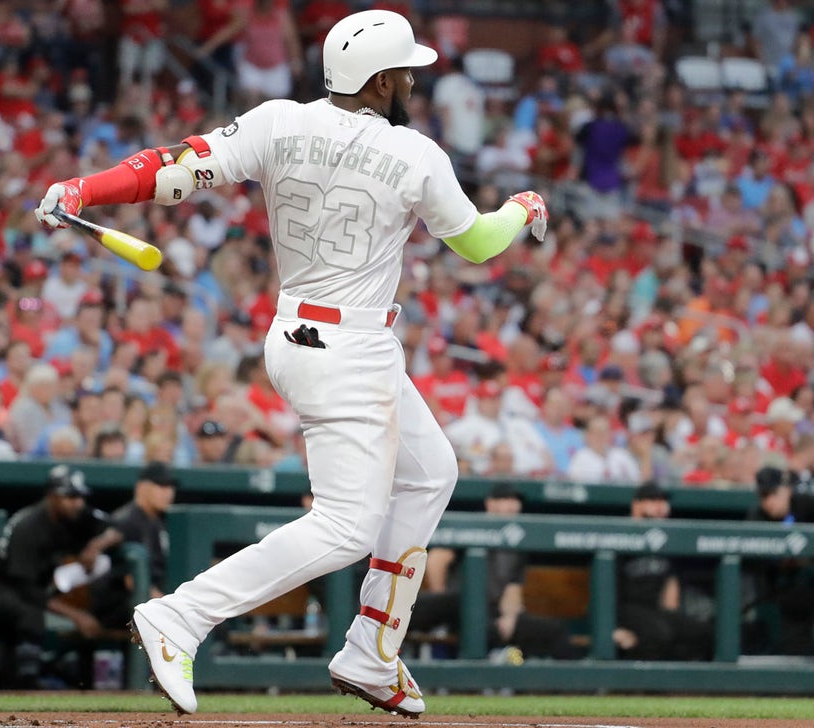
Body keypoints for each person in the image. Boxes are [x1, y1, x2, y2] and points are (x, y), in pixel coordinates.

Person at [35, 9, 548, 718]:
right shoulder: (416, 152)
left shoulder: (279, 120)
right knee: (345, 527)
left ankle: (373, 649)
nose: (411, 83)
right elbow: (481, 244)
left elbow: (173, 169)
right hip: (349, 350)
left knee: (432, 472)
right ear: (381, 81)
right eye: (405, 72)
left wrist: (83, 189)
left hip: (301, 333)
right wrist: (523, 206)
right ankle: (182, 615)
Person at [0, 465, 124, 689]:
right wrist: (76, 615)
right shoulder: (29, 526)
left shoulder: (79, 513)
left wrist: (97, 545)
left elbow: (117, 527)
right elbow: (27, 590)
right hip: (1, 585)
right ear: (52, 497)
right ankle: (27, 685)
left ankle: (77, 683)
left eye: (80, 496)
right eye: (70, 497)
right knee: (29, 615)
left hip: (40, 581)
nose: (78, 503)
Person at [410, 482, 582, 660]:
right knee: (439, 604)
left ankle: (573, 679)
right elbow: (437, 560)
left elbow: (513, 588)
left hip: (491, 614)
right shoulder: (474, 525)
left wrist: (510, 617)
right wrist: (440, 593)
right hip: (459, 606)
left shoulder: (519, 537)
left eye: (515, 500)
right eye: (505, 499)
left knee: (555, 631)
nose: (511, 505)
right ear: (490, 504)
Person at [613, 483, 713, 661]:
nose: (660, 506)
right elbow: (604, 590)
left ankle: (680, 678)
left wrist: (671, 617)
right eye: (653, 500)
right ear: (636, 505)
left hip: (653, 610)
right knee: (659, 633)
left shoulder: (668, 537)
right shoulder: (619, 533)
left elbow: (671, 587)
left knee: (702, 632)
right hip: (624, 609)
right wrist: (611, 627)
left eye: (663, 501)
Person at [743, 466, 814, 655]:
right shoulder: (757, 517)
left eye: (774, 494)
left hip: (811, 582)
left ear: (787, 490)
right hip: (774, 587)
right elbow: (756, 563)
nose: (769, 502)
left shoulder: (807, 505)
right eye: (763, 496)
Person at [89, 462, 178, 629]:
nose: (168, 493)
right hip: (119, 605)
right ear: (141, 487)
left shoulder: (159, 521)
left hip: (150, 601)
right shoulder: (126, 521)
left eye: (170, 487)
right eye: (161, 486)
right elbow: (130, 580)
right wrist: (169, 605)